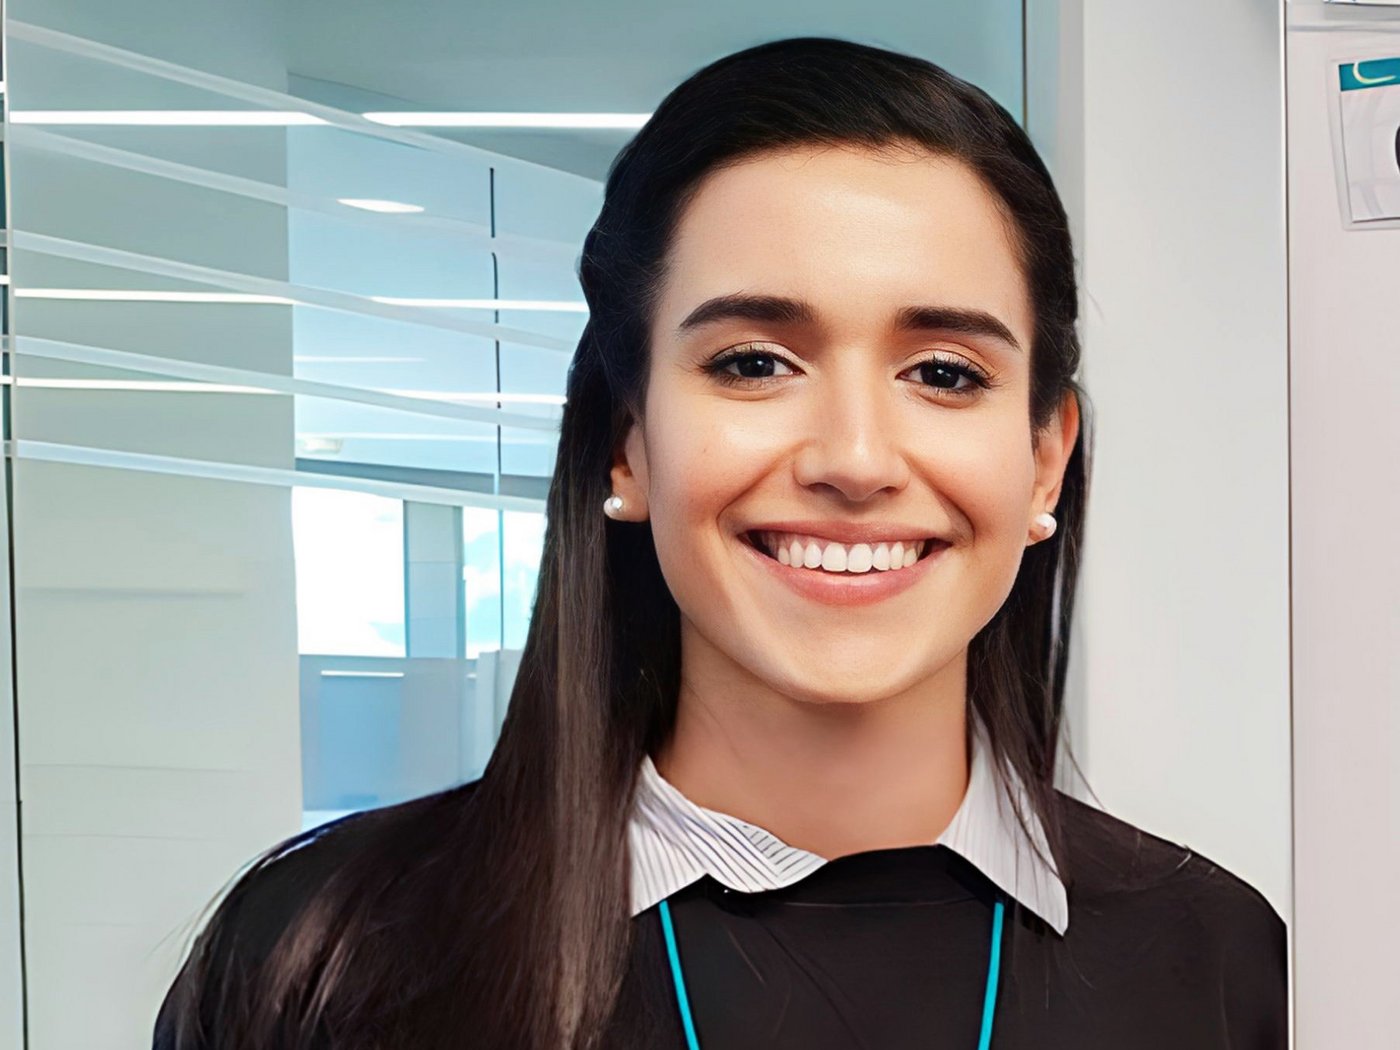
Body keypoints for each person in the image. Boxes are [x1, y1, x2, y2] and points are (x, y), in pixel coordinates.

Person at [152, 36, 1287, 1050]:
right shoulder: (332, 953)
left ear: (1042, 458)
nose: (854, 456)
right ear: (626, 444)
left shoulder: (1224, 965)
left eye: (943, 373)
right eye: (753, 362)